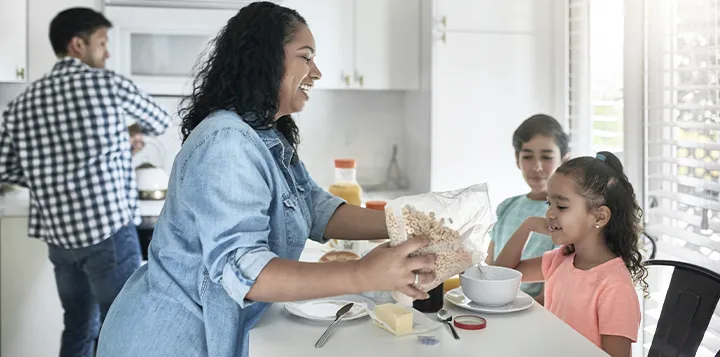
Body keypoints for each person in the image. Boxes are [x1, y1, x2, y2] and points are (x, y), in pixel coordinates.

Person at [96, 3, 435, 357]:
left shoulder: (263, 136)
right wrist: (363, 274)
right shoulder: (226, 144)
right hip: (165, 341)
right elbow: (244, 268)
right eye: (306, 57)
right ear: (266, 59)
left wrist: (408, 224)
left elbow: (315, 209)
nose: (316, 72)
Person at [0, 7, 171, 357]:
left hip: (61, 240)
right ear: (78, 44)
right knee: (122, 325)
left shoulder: (21, 104)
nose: (107, 52)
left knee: (78, 326)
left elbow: (5, 168)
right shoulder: (106, 83)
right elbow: (159, 121)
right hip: (107, 233)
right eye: (102, 42)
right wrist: (131, 133)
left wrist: (48, 172)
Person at [495, 151, 647, 357]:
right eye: (549, 203)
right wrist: (527, 226)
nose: (549, 213)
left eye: (562, 206)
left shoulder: (614, 286)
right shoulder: (561, 259)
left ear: (600, 217)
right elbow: (501, 275)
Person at [485, 114, 569, 304]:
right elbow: (490, 271)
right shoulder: (506, 207)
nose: (537, 167)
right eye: (528, 156)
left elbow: (551, 294)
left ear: (564, 159)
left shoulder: (566, 214)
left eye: (547, 157)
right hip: (495, 304)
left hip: (533, 314)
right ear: (517, 159)